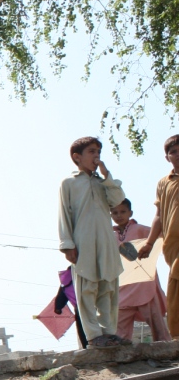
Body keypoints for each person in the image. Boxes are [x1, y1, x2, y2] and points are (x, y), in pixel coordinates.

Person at [58, 136, 130, 347]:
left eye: (98, 151)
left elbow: (117, 200)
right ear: (77, 157)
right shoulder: (69, 183)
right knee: (87, 289)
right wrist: (67, 245)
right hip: (83, 242)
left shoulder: (103, 183)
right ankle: (93, 335)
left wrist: (107, 175)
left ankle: (109, 332)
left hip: (106, 241)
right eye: (91, 151)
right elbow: (64, 214)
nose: (96, 156)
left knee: (108, 287)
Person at [109, 198, 169, 342]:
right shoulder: (110, 236)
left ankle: (167, 348)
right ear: (110, 215)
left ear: (130, 213)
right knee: (119, 329)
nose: (119, 215)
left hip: (144, 284)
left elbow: (162, 235)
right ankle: (122, 351)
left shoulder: (140, 229)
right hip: (123, 285)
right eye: (115, 213)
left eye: (123, 212)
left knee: (157, 324)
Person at [138, 135, 179, 339]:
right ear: (167, 157)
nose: (178, 155)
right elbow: (159, 216)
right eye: (174, 152)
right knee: (175, 288)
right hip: (173, 244)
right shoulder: (164, 183)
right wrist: (149, 243)